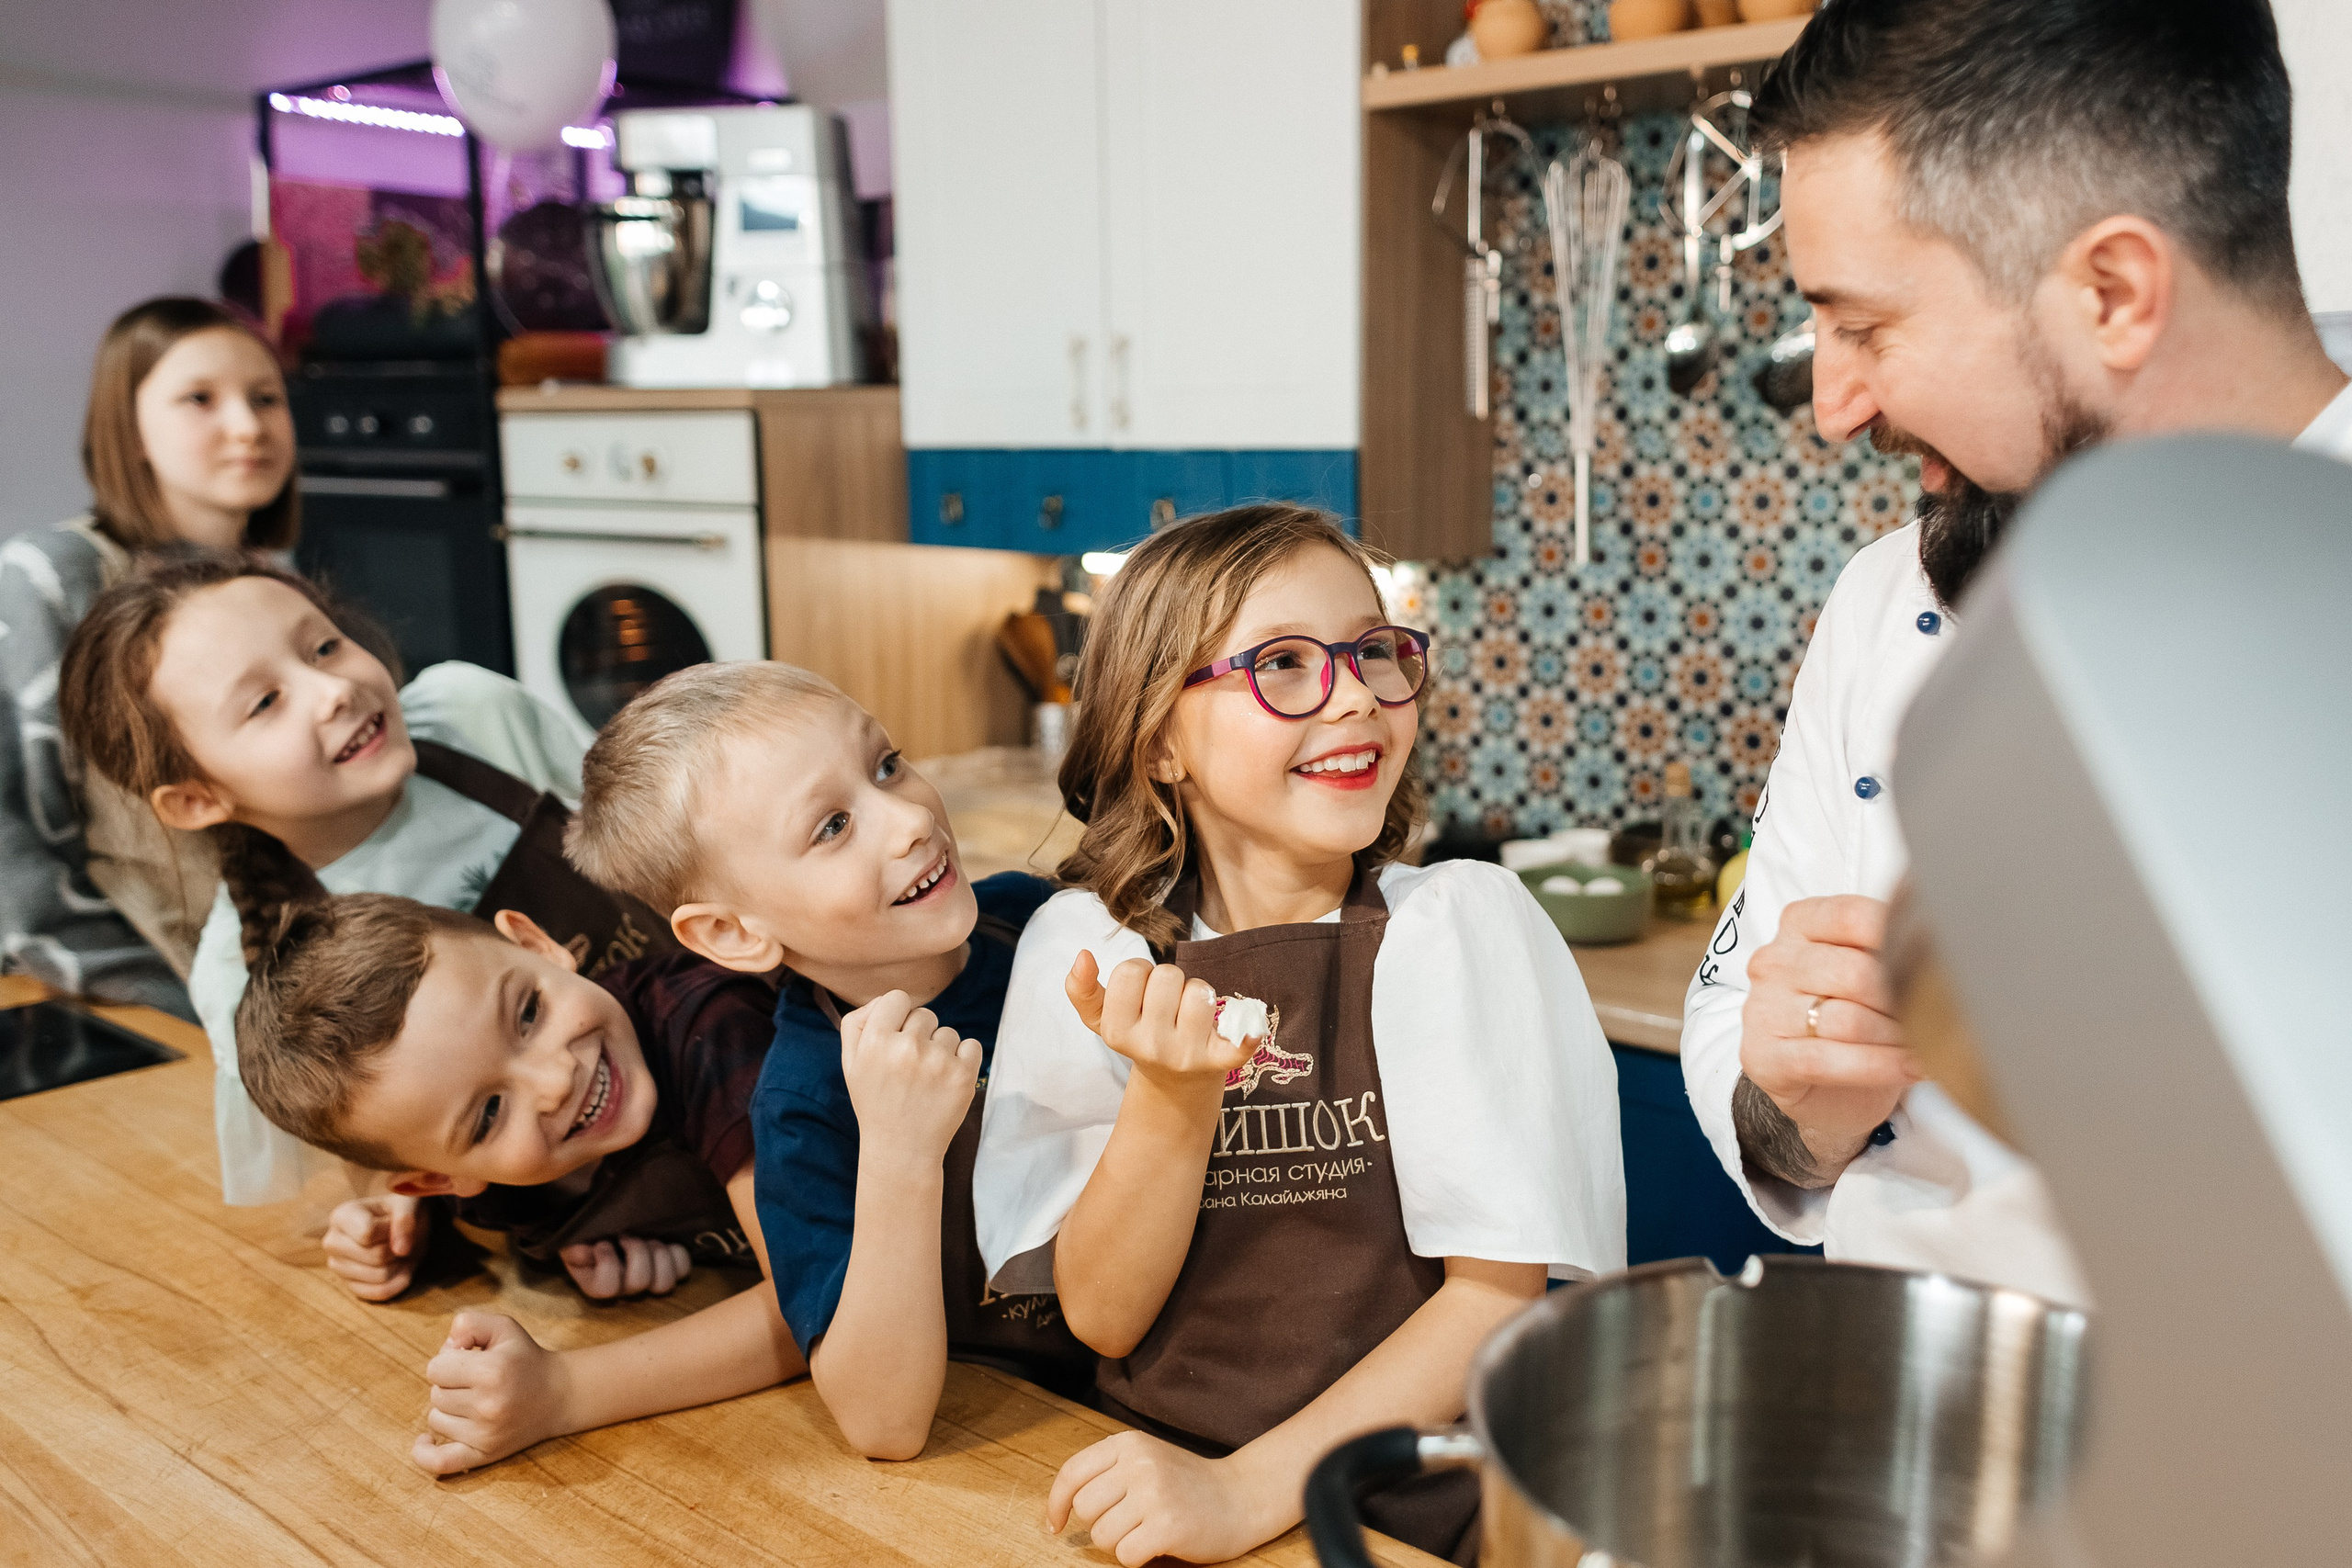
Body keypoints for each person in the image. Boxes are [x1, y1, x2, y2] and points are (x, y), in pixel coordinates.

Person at [1679, 0, 2352, 1303]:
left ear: (2113, 290)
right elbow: (1750, 1046)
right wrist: (1799, 1100)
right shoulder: (1885, 598)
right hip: (1905, 1422)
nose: (1833, 404)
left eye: (1865, 326)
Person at [974, 506, 1624, 1566]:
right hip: (1160, 1487)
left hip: (1412, 1516)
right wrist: (1173, 1100)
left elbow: (1493, 1301)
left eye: (1374, 650)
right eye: (1281, 664)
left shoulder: (1458, 928)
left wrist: (1241, 1494)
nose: (1358, 694)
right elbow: (1102, 1316)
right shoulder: (1089, 950)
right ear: (1158, 741)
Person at [562, 661, 1090, 1461]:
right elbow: (884, 1422)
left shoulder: (1040, 919)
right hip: (1039, 1436)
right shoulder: (801, 1104)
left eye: (886, 764)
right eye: (833, 826)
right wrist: (898, 1154)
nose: (908, 818)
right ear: (733, 935)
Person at [54, 554, 666, 1242]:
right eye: (264, 702)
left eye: (323, 646)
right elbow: (384, 1171)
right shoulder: (245, 975)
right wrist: (380, 1226)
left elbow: (658, 854)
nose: (331, 690)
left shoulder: (476, 714)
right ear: (197, 798)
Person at [231, 890, 806, 1473]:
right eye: (489, 1114)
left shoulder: (711, 1025)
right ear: (437, 1179)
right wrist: (407, 1236)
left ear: (538, 945)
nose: (555, 1081)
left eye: (529, 1013)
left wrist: (563, 1391)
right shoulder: (491, 1189)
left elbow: (821, 1301)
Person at [0, 297, 299, 1017]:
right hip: (147, 993)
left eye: (267, 398)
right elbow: (15, 841)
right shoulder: (52, 577)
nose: (247, 426)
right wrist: (187, 1004)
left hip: (290, 983)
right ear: (128, 428)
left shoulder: (273, 584)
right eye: (200, 398)